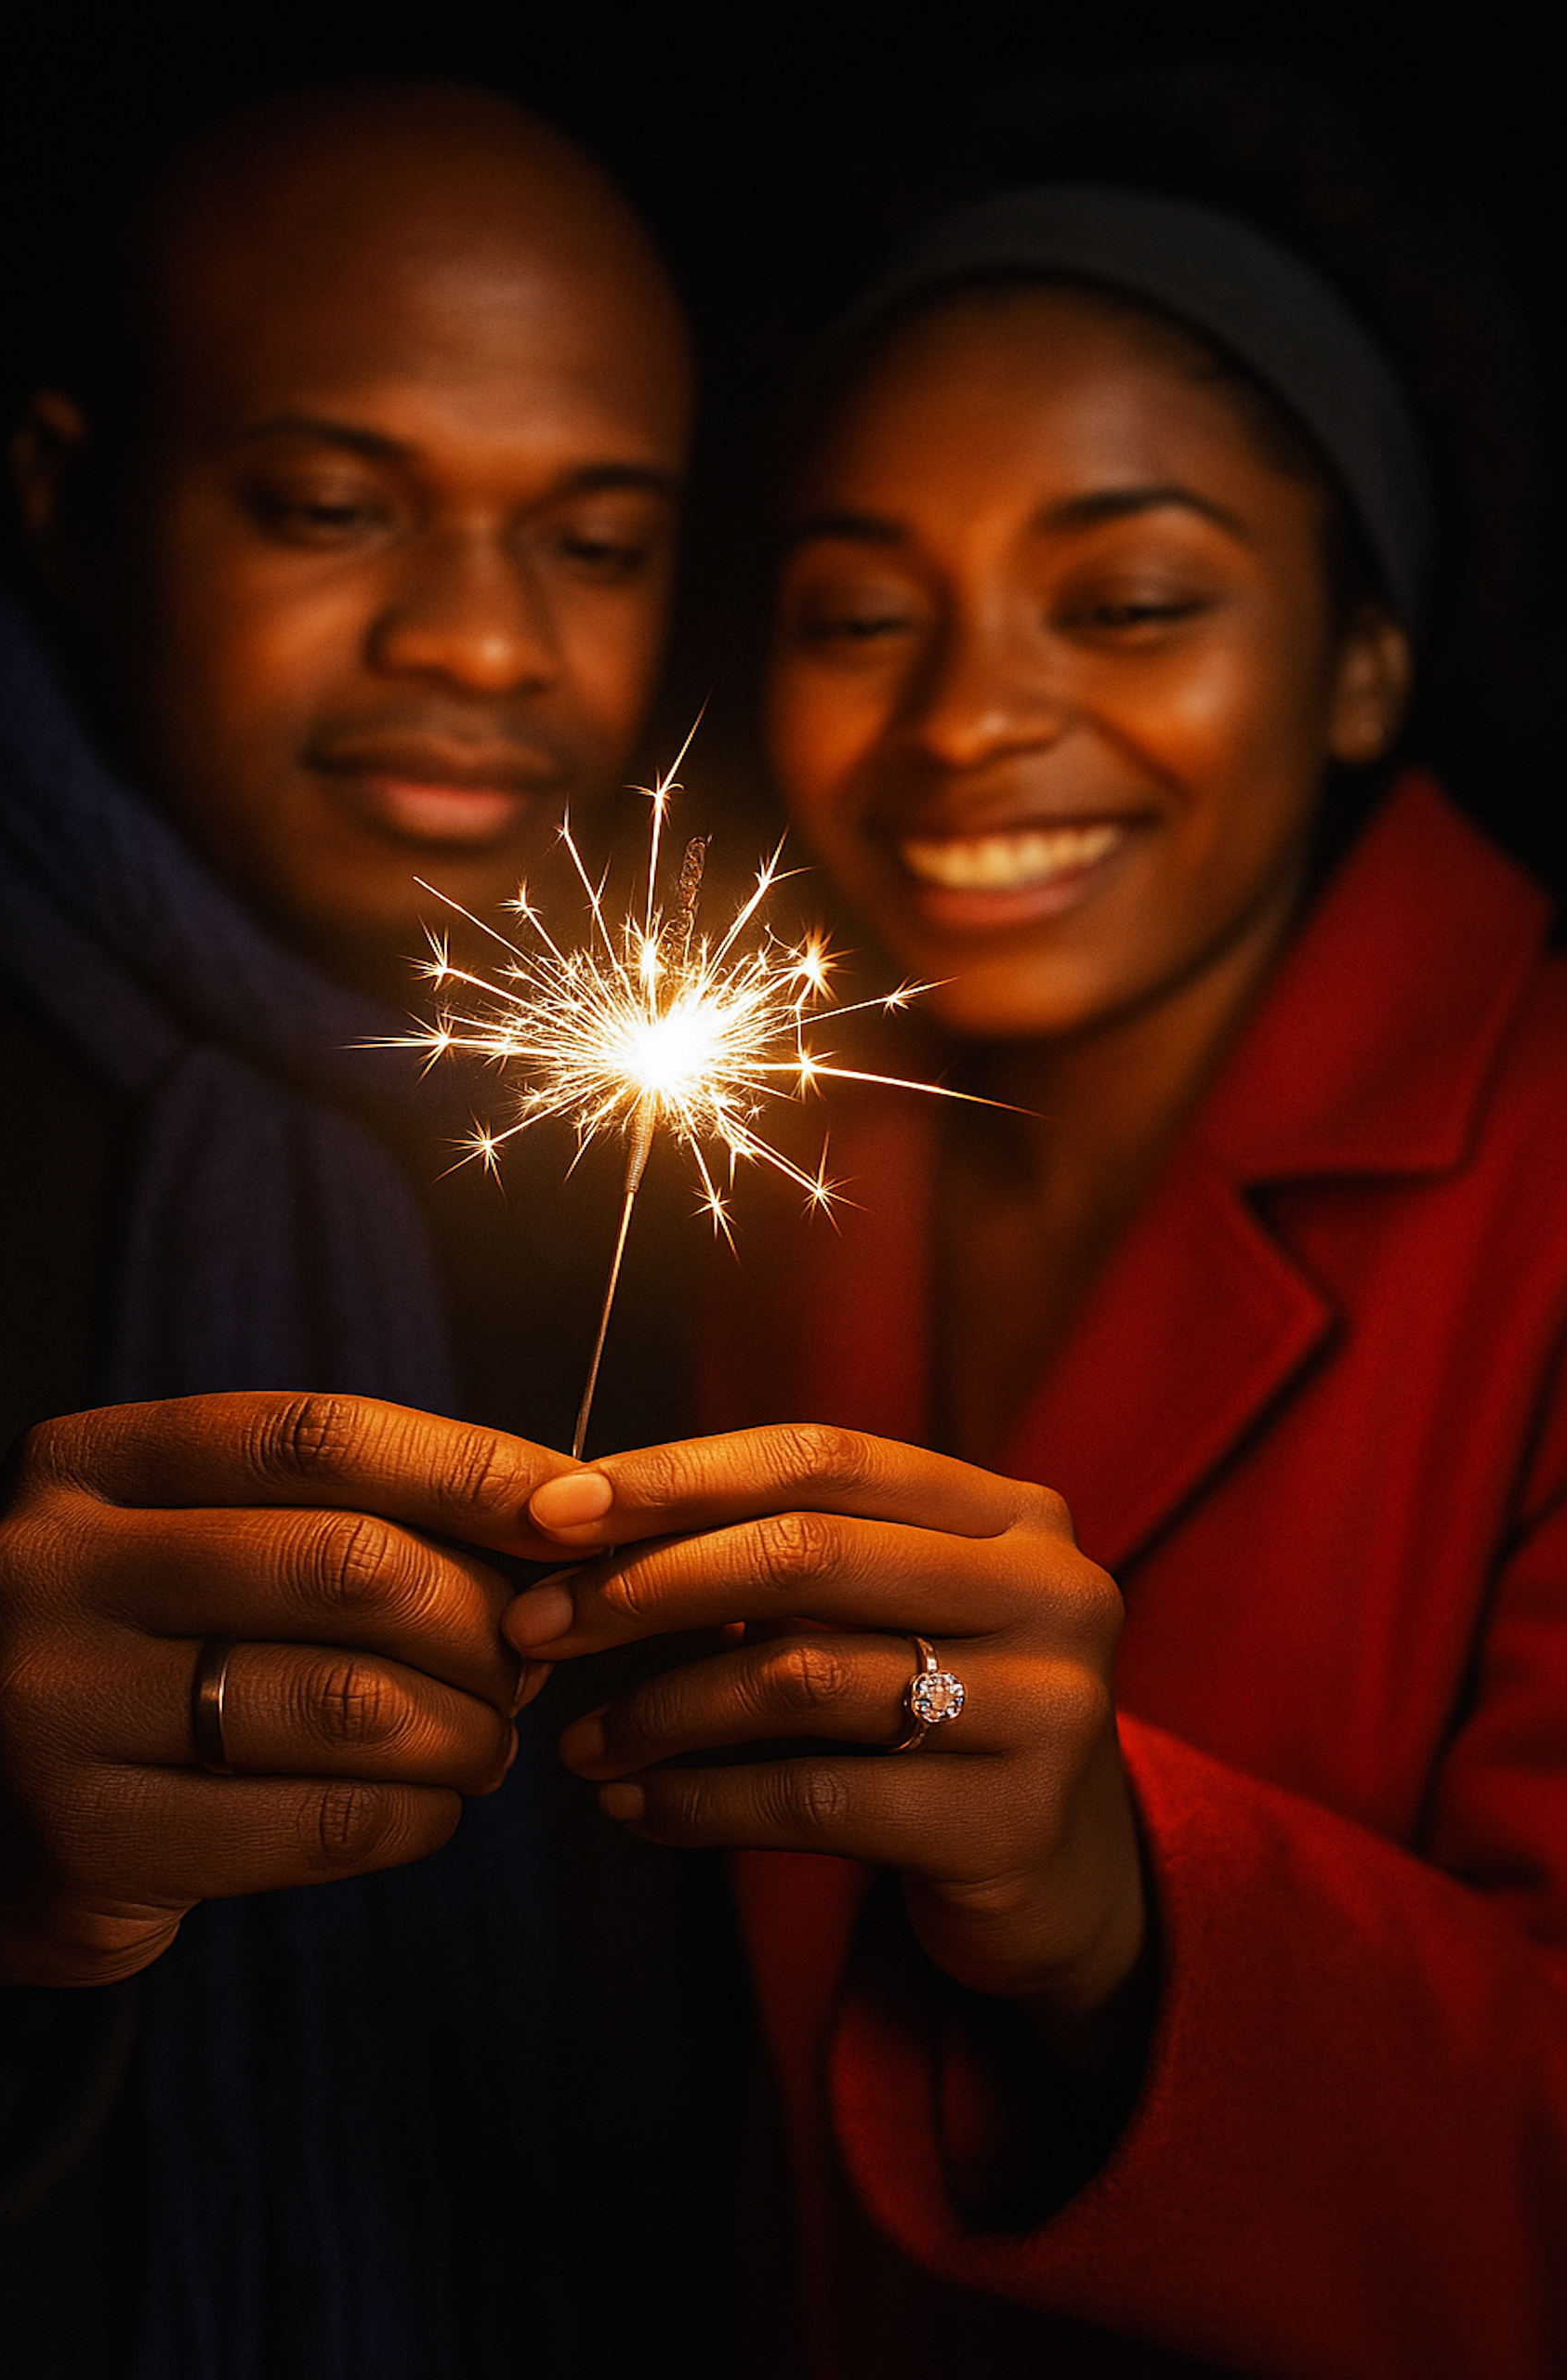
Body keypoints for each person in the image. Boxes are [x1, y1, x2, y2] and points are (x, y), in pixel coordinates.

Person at [500, 181, 1567, 2374]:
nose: (973, 717)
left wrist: (1123, 1912)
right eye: (862, 615)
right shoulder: (790, 1180)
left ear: (1368, 657)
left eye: (1132, 599)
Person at [0, 78, 744, 2380]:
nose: (488, 641)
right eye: (332, 504)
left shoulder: (734, 1227)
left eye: (596, 540)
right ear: (66, 490)